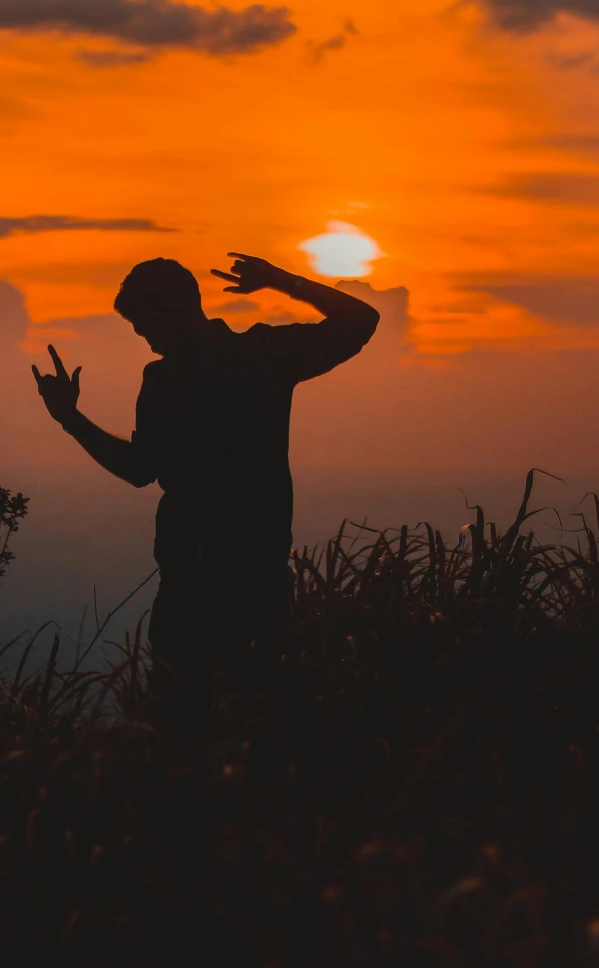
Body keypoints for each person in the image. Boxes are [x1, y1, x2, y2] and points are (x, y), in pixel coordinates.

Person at [32, 253, 379, 718]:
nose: (144, 338)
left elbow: (138, 469)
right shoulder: (263, 356)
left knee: (179, 723)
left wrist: (70, 419)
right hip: (258, 577)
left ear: (170, 314)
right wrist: (279, 281)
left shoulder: (169, 377)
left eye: (144, 324)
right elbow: (360, 321)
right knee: (255, 715)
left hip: (194, 588)